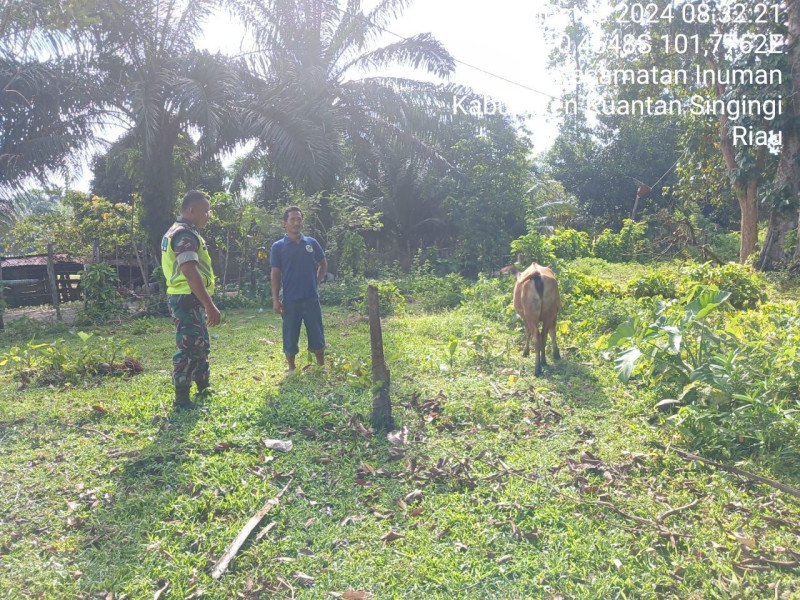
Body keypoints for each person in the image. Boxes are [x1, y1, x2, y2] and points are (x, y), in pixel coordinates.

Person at [161, 190, 221, 409]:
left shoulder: (185, 232)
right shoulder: (184, 235)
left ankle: (203, 387)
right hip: (186, 297)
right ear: (191, 210)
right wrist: (209, 304)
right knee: (188, 346)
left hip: (190, 297)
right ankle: (182, 399)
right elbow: (189, 271)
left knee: (200, 343)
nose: (208, 215)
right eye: (205, 211)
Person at [270, 206, 327, 371]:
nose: (296, 223)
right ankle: (291, 368)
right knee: (290, 334)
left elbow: (323, 263)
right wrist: (275, 299)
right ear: (285, 223)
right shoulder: (278, 246)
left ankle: (320, 366)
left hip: (311, 298)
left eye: (299, 219)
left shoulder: (311, 243)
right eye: (292, 219)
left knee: (316, 331)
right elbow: (275, 274)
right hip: (290, 300)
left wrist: (316, 281)